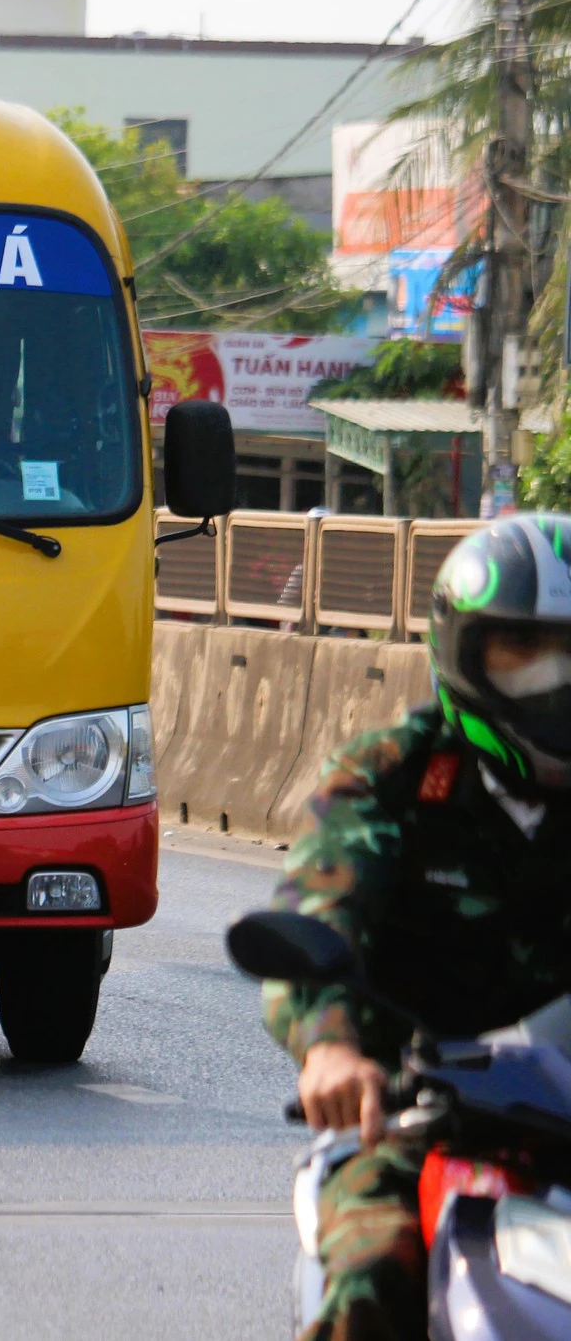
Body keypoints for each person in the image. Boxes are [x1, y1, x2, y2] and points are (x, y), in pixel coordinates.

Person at [262, 515, 571, 1341]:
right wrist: (330, 1046)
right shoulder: (393, 776)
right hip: (412, 1123)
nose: (557, 685)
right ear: (464, 653)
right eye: (527, 656)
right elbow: (318, 907)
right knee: (370, 1282)